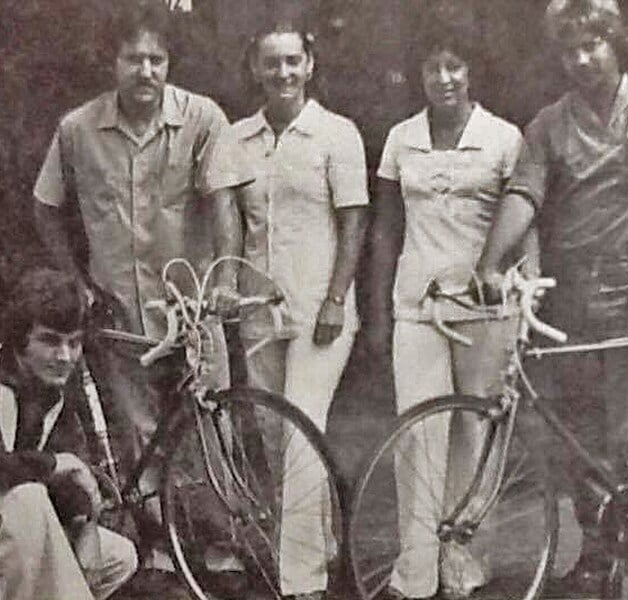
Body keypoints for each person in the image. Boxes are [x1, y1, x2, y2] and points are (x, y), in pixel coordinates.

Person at [473, 0, 628, 586]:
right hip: (573, 300)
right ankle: (597, 551)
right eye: (570, 50)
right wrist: (489, 264)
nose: (582, 59)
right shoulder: (549, 124)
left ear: (617, 44)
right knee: (573, 440)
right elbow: (524, 195)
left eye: (593, 45)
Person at [31, 0, 251, 557]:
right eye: (134, 59)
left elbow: (224, 204)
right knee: (140, 435)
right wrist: (75, 279)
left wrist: (222, 280)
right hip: (120, 317)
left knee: (210, 425)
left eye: (156, 59)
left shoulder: (203, 119)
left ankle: (220, 545)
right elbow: (46, 207)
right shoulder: (77, 129)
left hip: (190, 310)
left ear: (169, 63)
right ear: (114, 64)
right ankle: (160, 547)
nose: (146, 71)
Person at [364, 25, 539, 600]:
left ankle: (463, 562)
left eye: (455, 67)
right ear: (419, 75)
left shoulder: (503, 138)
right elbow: (387, 228)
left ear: (471, 73)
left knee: (476, 431)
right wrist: (380, 310)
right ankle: (413, 572)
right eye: (433, 67)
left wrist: (528, 292)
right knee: (418, 433)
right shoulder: (400, 138)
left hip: (487, 307)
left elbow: (524, 219)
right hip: (417, 302)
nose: (445, 78)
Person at [232, 16, 368, 600]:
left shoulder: (338, 134)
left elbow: (355, 220)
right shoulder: (237, 139)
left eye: (293, 61)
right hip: (260, 311)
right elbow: (233, 224)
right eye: (272, 62)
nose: (283, 72)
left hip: (320, 310)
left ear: (309, 65)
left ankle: (301, 583)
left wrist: (337, 297)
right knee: (272, 434)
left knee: (301, 429)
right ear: (256, 70)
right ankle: (323, 548)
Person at [0, 268, 138, 599]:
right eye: (49, 341)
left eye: (73, 343)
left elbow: (68, 477)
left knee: (116, 556)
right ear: (20, 339)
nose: (64, 357)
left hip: (14, 538)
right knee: (28, 501)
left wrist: (85, 524)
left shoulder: (51, 389)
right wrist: (57, 464)